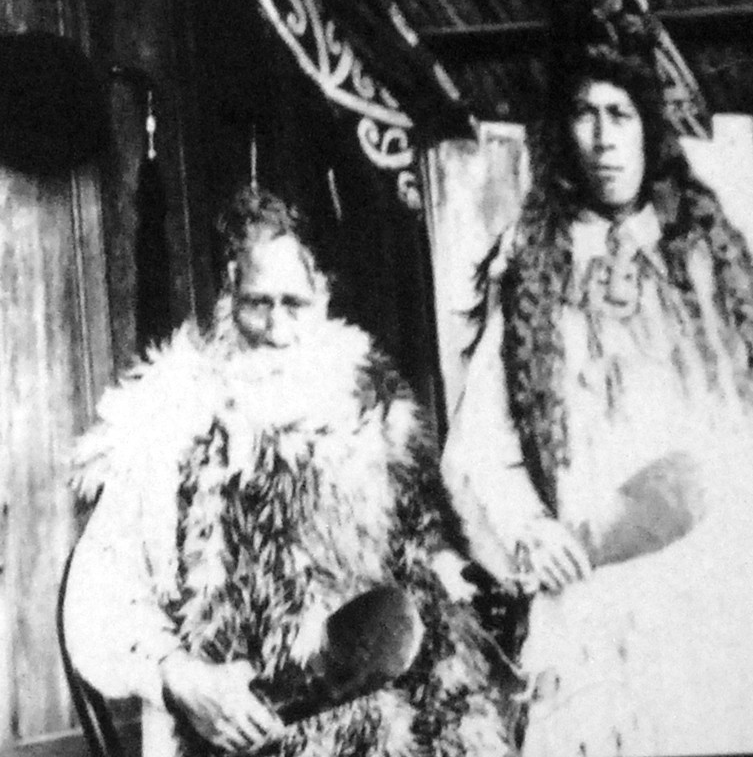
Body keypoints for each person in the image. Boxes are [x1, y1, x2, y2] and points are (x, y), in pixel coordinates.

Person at [440, 0, 753, 757]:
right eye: (584, 114)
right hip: (590, 601)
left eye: (621, 114)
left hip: (708, 598)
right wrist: (528, 531)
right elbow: (478, 451)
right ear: (560, 132)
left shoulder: (702, 260)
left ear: (649, 128)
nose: (604, 138)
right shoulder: (532, 268)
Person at [64, 187, 511, 757]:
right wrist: (181, 679)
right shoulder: (168, 421)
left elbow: (428, 594)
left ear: (323, 295)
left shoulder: (376, 416)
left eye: (294, 303)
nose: (277, 329)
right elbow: (94, 602)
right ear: (227, 293)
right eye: (258, 303)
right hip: (238, 732)